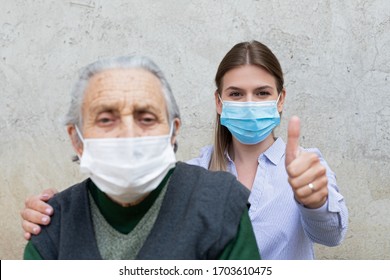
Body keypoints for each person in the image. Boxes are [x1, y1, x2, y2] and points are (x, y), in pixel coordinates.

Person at [21, 41, 348, 259]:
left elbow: (331, 235)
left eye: (262, 93)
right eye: (236, 94)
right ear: (219, 102)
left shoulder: (307, 166)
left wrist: (314, 199)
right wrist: (52, 217)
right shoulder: (194, 174)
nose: (249, 103)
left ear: (280, 100)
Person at [22, 55, 260, 260]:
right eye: (106, 119)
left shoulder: (219, 205)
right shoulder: (52, 225)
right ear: (77, 140)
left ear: (172, 132)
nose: (128, 133)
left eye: (146, 118)